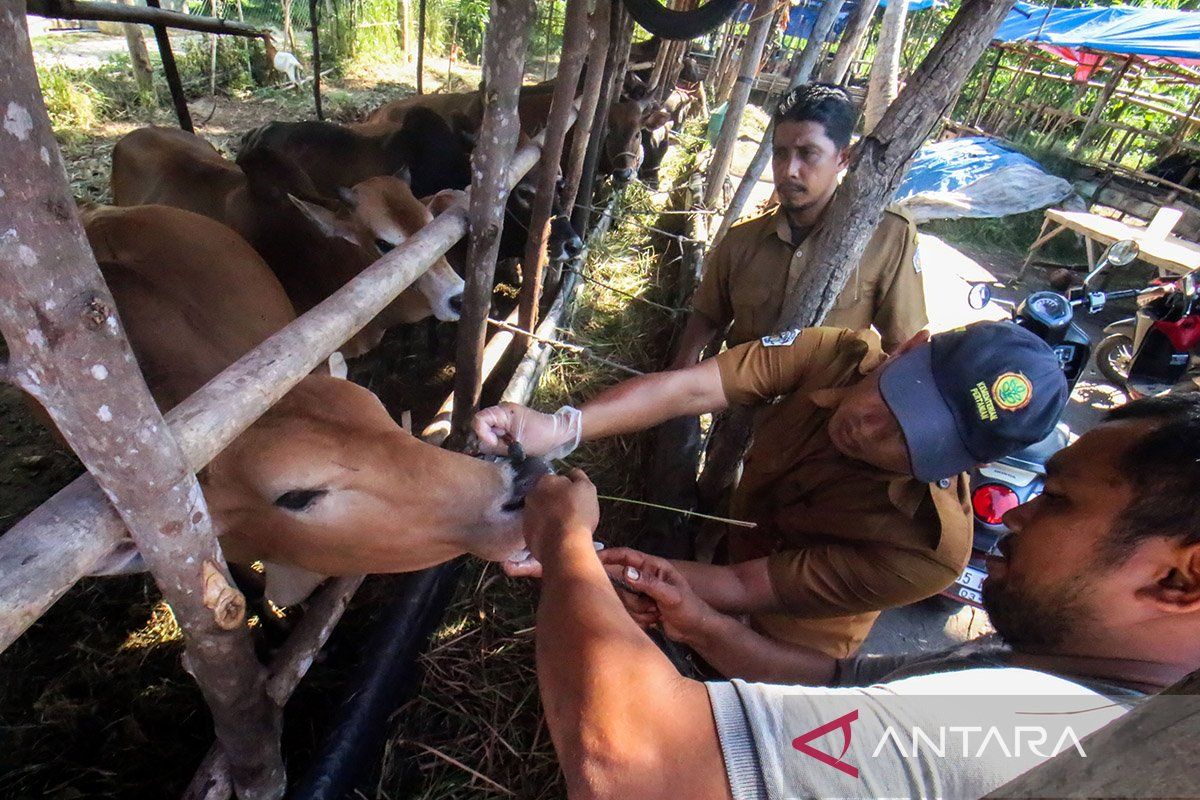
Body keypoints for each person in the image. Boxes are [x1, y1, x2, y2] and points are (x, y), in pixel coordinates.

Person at [521, 394, 1200, 799]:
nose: (1017, 515)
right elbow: (840, 681)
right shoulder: (1049, 664)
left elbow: (636, 762)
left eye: (1057, 501)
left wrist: (564, 539)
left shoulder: (1027, 727)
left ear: (1180, 578)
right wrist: (699, 625)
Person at [474, 320, 1069, 663]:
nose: (871, 428)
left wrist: (577, 556)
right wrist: (559, 428)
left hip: (790, 643)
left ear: (969, 463)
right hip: (734, 550)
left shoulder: (927, 551)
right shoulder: (836, 354)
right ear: (911, 347)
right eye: (896, 397)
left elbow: (743, 588)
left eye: (916, 441)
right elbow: (689, 390)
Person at [671, 83, 926, 370]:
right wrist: (680, 379)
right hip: (741, 410)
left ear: (844, 157)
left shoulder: (887, 236)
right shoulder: (742, 240)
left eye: (808, 153)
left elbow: (903, 345)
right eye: (780, 153)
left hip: (826, 411)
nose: (789, 169)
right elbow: (707, 314)